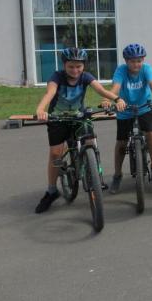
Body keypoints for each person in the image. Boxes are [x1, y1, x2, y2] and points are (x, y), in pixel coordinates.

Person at [34, 47, 121, 214]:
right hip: (58, 119)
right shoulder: (56, 77)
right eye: (71, 66)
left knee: (90, 141)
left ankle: (95, 174)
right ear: (64, 65)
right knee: (55, 154)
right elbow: (49, 93)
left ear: (84, 66)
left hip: (79, 117)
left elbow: (101, 90)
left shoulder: (86, 77)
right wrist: (40, 109)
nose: (75, 70)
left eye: (78, 66)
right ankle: (51, 191)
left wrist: (118, 99)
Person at [105, 44, 152, 195]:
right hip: (125, 109)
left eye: (139, 61)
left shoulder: (146, 69)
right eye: (133, 61)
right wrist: (108, 99)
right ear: (126, 61)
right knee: (121, 142)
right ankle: (117, 175)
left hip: (144, 106)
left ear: (143, 60)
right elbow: (115, 87)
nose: (136, 64)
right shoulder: (121, 70)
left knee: (151, 135)